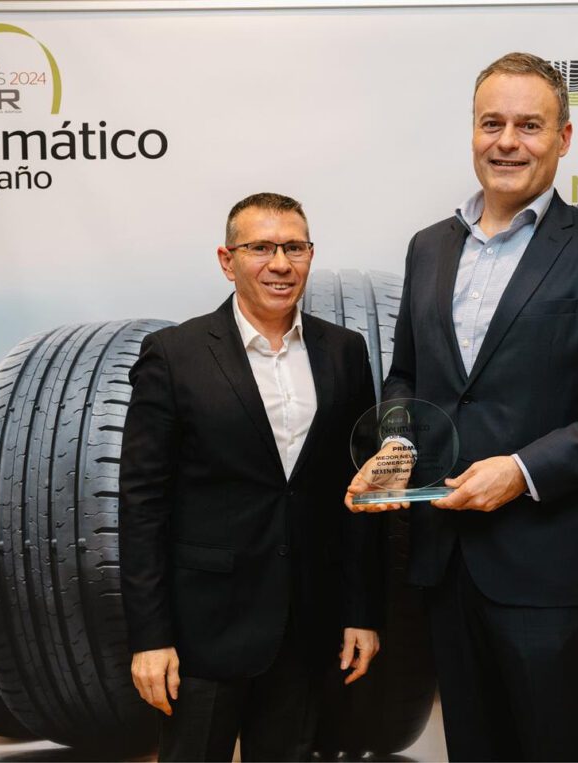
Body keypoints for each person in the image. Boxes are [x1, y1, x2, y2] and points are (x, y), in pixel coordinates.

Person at [346, 53, 578, 761]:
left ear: (564, 138)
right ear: (472, 131)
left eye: (529, 125)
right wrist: (399, 446)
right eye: (491, 123)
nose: (507, 142)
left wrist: (524, 470)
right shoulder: (428, 248)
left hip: (548, 570)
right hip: (445, 563)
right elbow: (407, 377)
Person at [120, 192, 383, 762]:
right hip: (202, 634)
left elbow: (358, 495)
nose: (280, 264)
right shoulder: (174, 354)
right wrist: (150, 638)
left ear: (310, 255)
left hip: (306, 627)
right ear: (227, 260)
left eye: (294, 248)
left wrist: (360, 614)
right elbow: (142, 505)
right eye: (261, 248)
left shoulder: (345, 352)